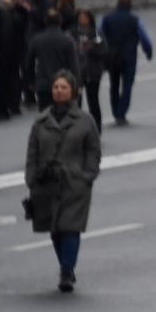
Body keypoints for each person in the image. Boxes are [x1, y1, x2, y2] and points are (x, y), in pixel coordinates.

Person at [25, 70, 101, 293]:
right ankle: (65, 264)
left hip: (74, 183)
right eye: (56, 87)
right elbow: (32, 152)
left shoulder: (85, 121)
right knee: (54, 229)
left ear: (74, 91)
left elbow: (93, 151)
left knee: (70, 227)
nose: (59, 91)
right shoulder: (41, 121)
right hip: (46, 183)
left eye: (63, 87)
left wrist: (86, 175)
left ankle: (67, 270)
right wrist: (31, 178)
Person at [99, 0, 154, 126]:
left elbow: (100, 34)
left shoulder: (107, 18)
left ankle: (115, 109)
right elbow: (143, 37)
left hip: (112, 56)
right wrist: (148, 51)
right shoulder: (134, 20)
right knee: (127, 85)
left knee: (114, 84)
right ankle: (121, 112)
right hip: (129, 56)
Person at [25, 15, 80, 112]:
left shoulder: (37, 39)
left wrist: (31, 81)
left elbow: (29, 62)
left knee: (46, 116)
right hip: (64, 83)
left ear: (45, 22)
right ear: (60, 22)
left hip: (43, 83)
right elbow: (74, 65)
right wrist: (76, 84)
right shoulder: (67, 40)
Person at [72, 9, 108, 127]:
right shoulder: (73, 33)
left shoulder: (96, 33)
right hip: (77, 72)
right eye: (80, 17)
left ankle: (97, 127)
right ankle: (77, 128)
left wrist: (90, 48)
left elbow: (103, 50)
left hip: (93, 72)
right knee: (77, 102)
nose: (82, 19)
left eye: (84, 17)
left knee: (93, 101)